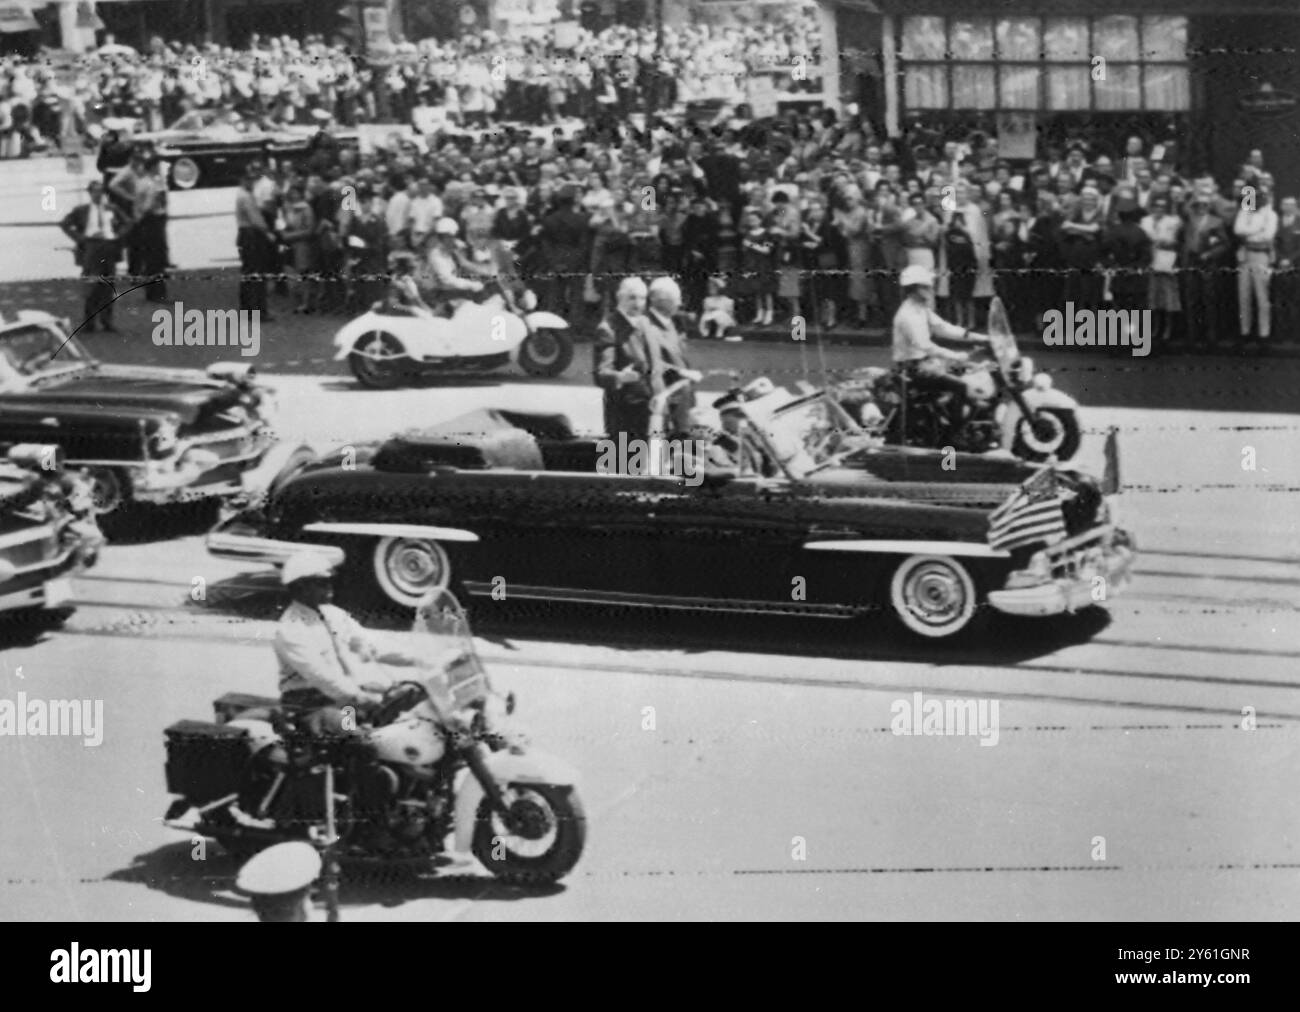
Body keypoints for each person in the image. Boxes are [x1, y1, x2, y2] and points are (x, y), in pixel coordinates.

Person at [273, 552, 421, 738]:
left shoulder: (334, 615)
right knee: (361, 740)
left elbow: (372, 644)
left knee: (413, 704)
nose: (329, 587)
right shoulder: (291, 629)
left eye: (329, 581)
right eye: (320, 582)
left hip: (345, 699)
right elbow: (322, 676)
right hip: (313, 704)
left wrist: (423, 658)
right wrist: (360, 697)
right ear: (300, 587)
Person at [891, 264, 990, 440]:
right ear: (914, 288)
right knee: (962, 385)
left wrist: (979, 337)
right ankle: (955, 433)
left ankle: (964, 414)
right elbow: (925, 345)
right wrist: (955, 356)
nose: (930, 289)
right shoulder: (907, 315)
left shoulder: (920, 309)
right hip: (912, 369)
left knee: (970, 371)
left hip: (925, 363)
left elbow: (943, 328)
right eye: (926, 286)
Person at [593, 276, 652, 440]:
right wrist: (619, 377)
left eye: (642, 298)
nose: (638, 303)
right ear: (620, 298)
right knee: (622, 464)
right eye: (632, 298)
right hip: (623, 413)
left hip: (647, 409)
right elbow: (601, 374)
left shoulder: (645, 324)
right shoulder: (608, 329)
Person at [60, 179, 123, 333]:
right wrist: (79, 238)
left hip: (108, 247)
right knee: (91, 285)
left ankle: (107, 321)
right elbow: (65, 224)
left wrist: (118, 236)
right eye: (95, 191)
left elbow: (127, 222)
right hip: (92, 248)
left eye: (101, 191)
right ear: (90, 193)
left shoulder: (111, 208)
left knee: (108, 286)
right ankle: (89, 322)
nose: (99, 194)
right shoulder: (81, 210)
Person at [643, 276, 701, 437]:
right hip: (664, 400)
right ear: (662, 301)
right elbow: (650, 361)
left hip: (681, 398)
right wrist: (681, 373)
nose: (679, 303)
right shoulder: (646, 325)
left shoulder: (671, 322)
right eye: (676, 299)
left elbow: (681, 358)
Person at [1234, 187, 1279, 348]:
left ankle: (1263, 334)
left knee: (1262, 296)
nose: (1259, 199)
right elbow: (1238, 230)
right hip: (1245, 255)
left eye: (1262, 196)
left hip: (1261, 256)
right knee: (1243, 296)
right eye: (1256, 196)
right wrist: (1256, 230)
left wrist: (1249, 234)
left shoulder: (1271, 214)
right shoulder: (1245, 211)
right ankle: (1244, 332)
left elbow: (1268, 236)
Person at [235, 166, 276, 316]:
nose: (251, 181)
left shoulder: (243, 194)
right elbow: (256, 219)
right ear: (242, 180)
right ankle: (258, 309)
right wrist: (268, 232)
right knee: (257, 273)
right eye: (248, 179)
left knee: (248, 272)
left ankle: (247, 307)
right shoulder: (246, 196)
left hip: (245, 234)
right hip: (251, 235)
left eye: (252, 179)